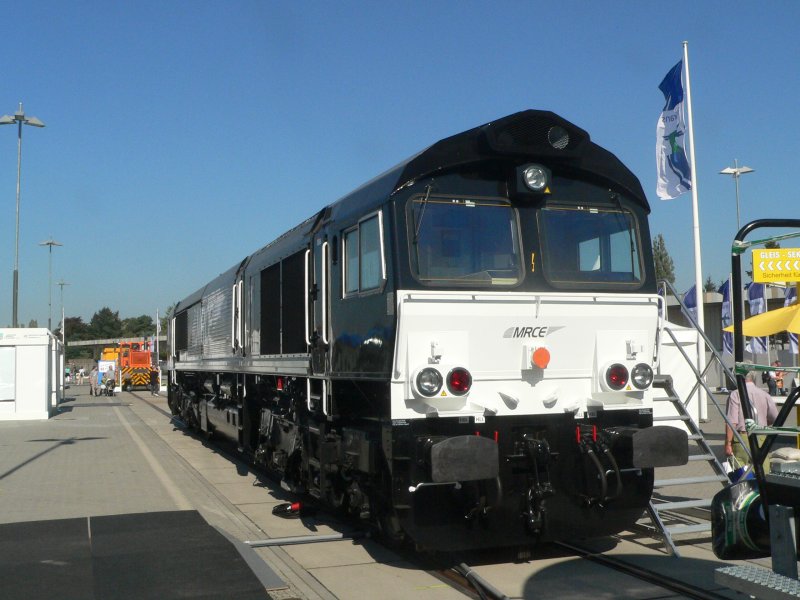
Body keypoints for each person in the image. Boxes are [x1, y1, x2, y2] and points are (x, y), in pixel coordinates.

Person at [725, 372, 779, 468]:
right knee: (762, 471)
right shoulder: (765, 394)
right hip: (761, 436)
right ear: (754, 377)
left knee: (742, 475)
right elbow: (775, 418)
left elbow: (732, 422)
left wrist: (728, 443)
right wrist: (764, 422)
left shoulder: (735, 394)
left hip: (743, 438)